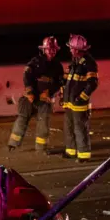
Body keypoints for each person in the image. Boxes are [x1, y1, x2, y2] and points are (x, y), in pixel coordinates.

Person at [8, 37, 64, 154]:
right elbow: (27, 76)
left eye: (53, 49)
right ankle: (13, 144)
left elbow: (60, 83)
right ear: (44, 49)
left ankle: (41, 148)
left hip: (45, 100)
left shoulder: (57, 66)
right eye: (49, 49)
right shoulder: (35, 62)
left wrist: (52, 92)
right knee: (22, 119)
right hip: (30, 98)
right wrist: (29, 91)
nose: (51, 52)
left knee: (44, 123)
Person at [61, 34, 99, 162]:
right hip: (69, 101)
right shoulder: (74, 61)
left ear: (77, 49)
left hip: (78, 103)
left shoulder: (89, 63)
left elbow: (93, 83)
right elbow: (67, 81)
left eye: (71, 48)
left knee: (80, 128)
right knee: (69, 127)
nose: (70, 50)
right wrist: (63, 96)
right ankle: (71, 151)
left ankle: (83, 155)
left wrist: (82, 98)